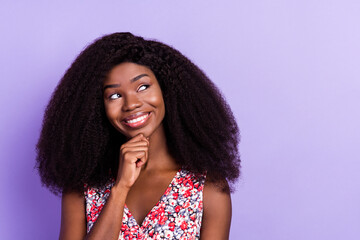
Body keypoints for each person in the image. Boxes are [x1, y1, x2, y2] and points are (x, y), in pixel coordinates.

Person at [36, 32, 240, 239]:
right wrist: (120, 187)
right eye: (114, 95)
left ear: (166, 90)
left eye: (142, 87)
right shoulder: (81, 188)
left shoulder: (207, 188)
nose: (131, 104)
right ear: (97, 107)